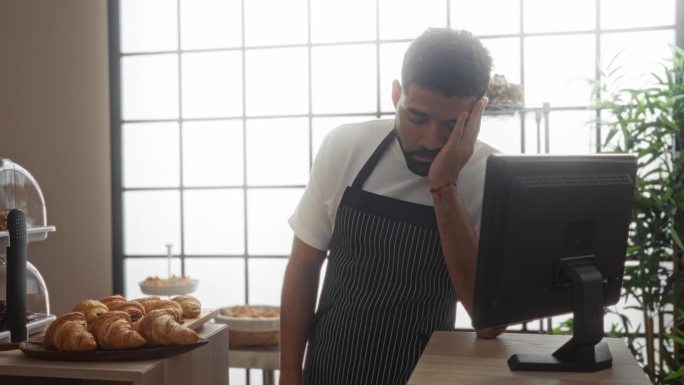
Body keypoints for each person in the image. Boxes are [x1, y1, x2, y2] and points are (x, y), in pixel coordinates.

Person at [281, 27, 504, 385]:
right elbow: (304, 266)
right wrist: (290, 374)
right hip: (329, 368)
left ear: (478, 112)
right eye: (417, 117)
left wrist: (444, 186)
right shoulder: (346, 146)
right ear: (396, 93)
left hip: (424, 375)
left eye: (451, 125)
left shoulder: (491, 175)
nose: (430, 140)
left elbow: (489, 323)